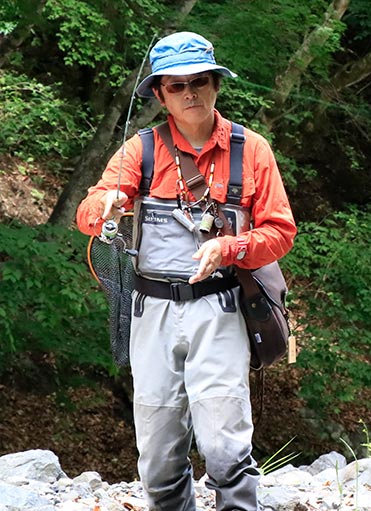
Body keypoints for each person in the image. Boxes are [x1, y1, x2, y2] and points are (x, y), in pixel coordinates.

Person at [76, 31, 296, 511]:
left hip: (220, 308)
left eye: (199, 80)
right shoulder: (141, 150)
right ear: (159, 94)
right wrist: (108, 204)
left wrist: (233, 246)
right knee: (157, 448)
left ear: (216, 84)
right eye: (176, 85)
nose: (190, 92)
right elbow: (87, 212)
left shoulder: (252, 150)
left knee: (224, 441)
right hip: (150, 310)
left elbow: (281, 233)